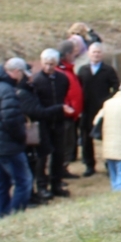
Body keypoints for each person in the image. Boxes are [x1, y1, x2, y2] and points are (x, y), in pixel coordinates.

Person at [0, 59, 38, 217]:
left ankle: (1, 215)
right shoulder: (8, 91)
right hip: (9, 146)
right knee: (24, 181)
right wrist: (22, 137)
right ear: (16, 72)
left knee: (1, 184)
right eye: (22, 74)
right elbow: (11, 120)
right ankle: (15, 216)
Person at [30, 49, 76, 201]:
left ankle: (56, 183)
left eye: (51, 64)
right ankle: (42, 186)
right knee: (43, 156)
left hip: (59, 121)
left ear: (56, 64)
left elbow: (64, 96)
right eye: (46, 64)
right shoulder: (37, 81)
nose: (48, 67)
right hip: (44, 121)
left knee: (59, 153)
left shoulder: (62, 79)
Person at [77, 43, 121, 178]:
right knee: (86, 139)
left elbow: (116, 88)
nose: (96, 55)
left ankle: (109, 164)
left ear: (102, 55)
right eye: (94, 52)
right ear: (89, 54)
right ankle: (89, 165)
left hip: (103, 110)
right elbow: (77, 90)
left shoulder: (108, 70)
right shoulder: (82, 70)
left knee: (107, 138)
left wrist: (108, 101)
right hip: (86, 109)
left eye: (98, 52)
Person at [52, 42, 85, 181]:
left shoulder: (69, 69)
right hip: (65, 114)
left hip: (72, 114)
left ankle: (63, 168)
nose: (75, 55)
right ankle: (58, 171)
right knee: (63, 144)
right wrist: (68, 107)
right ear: (66, 54)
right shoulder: (60, 71)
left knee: (69, 143)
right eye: (73, 52)